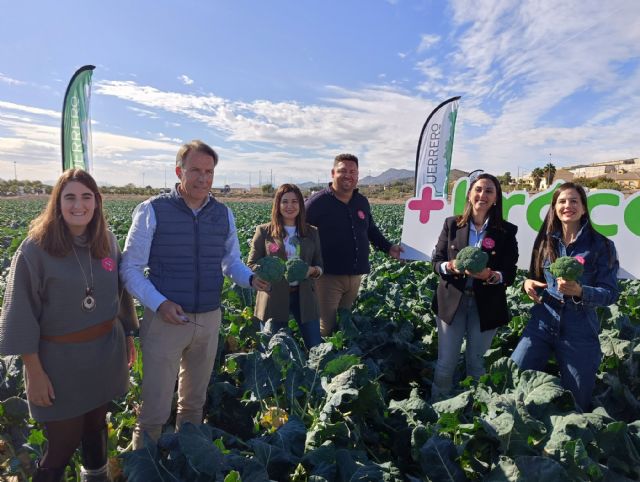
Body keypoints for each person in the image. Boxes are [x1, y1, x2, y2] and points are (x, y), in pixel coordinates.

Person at [121, 140, 268, 449]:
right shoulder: (152, 210)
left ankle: (185, 459)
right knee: (155, 408)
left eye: (209, 172)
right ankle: (144, 464)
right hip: (165, 322)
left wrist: (251, 279)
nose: (204, 179)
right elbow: (130, 269)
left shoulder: (223, 213)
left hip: (208, 319)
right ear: (179, 171)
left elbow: (231, 262)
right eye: (196, 171)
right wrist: (159, 304)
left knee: (194, 403)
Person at [0, 169, 138, 482]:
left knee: (96, 429)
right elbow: (19, 313)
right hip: (59, 364)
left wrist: (128, 333)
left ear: (97, 202)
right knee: (61, 445)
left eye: (86, 197)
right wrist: (34, 373)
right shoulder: (35, 250)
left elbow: (120, 294)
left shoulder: (106, 240)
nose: (79, 205)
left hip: (103, 357)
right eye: (70, 197)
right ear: (58, 203)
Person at [511, 182, 619, 411]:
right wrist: (527, 284)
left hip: (579, 329)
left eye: (573, 201)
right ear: (554, 207)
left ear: (583, 208)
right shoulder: (545, 241)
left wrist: (581, 292)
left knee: (577, 399)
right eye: (562, 201)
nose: (567, 205)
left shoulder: (602, 245)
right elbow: (535, 278)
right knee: (516, 377)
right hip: (541, 323)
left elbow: (610, 294)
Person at [431, 173, 519, 400]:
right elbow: (436, 263)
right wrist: (451, 267)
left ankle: (474, 416)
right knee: (445, 365)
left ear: (496, 198)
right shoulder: (452, 224)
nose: (483, 195)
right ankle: (438, 413)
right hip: (452, 303)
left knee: (478, 366)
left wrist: (491, 275)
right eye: (478, 189)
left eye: (489, 191)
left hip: (486, 306)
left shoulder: (507, 232)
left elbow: (510, 272)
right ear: (470, 195)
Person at [305, 153, 403, 335]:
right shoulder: (317, 202)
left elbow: (371, 230)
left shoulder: (361, 202)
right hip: (327, 277)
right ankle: (315, 361)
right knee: (326, 328)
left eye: (352, 171)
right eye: (342, 171)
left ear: (358, 175)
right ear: (333, 173)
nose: (348, 175)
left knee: (344, 325)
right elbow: (298, 231)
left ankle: (340, 360)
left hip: (355, 276)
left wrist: (389, 247)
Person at [248, 184, 324, 349]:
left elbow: (320, 266)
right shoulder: (264, 231)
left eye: (294, 201)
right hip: (273, 297)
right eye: (285, 201)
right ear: (278, 204)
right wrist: (269, 272)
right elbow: (252, 264)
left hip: (304, 298)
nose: (290, 206)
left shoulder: (312, 232)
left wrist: (311, 271)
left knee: (315, 347)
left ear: (301, 205)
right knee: (272, 352)